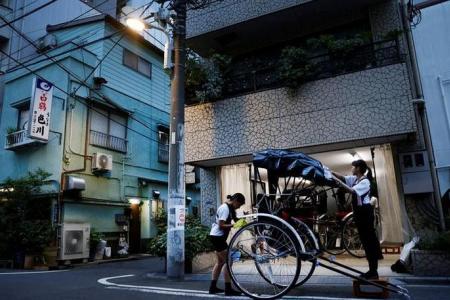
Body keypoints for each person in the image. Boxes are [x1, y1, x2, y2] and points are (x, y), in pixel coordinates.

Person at [332, 159, 383, 280]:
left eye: (353, 167)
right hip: (360, 214)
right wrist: (331, 172)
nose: (351, 168)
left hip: (365, 213)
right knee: (365, 241)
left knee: (369, 241)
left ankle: (373, 271)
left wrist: (337, 182)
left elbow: (352, 191)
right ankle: (372, 270)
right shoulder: (356, 179)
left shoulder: (365, 182)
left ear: (358, 168)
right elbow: (344, 178)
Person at [209, 193, 245, 295]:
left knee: (220, 263)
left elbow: (236, 219)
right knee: (229, 261)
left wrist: (243, 221)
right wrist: (234, 225)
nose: (239, 207)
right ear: (235, 200)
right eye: (239, 204)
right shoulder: (225, 208)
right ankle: (228, 289)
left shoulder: (230, 208)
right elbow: (221, 225)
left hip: (217, 237)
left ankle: (212, 288)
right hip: (217, 237)